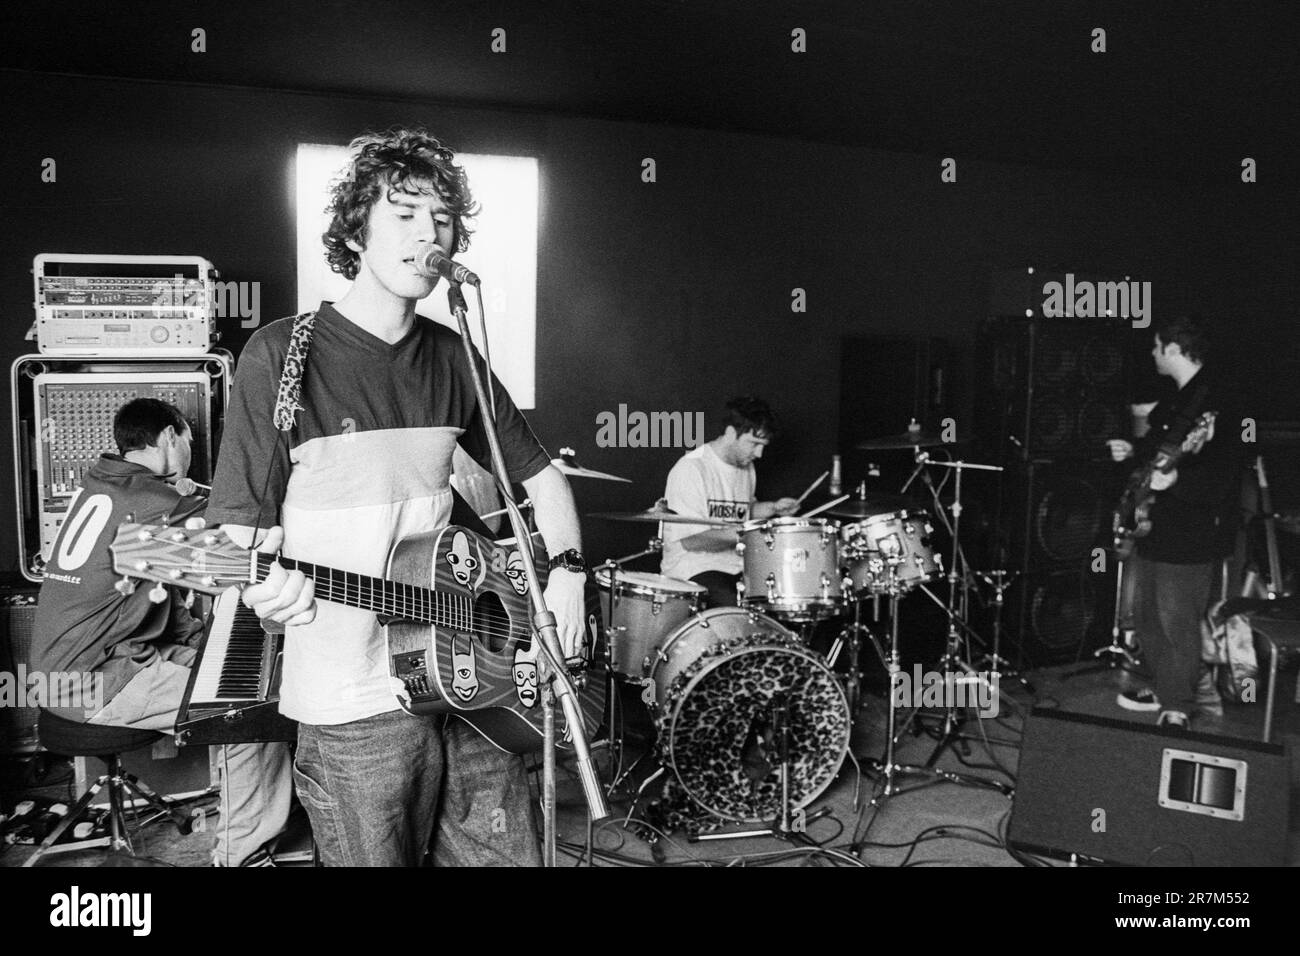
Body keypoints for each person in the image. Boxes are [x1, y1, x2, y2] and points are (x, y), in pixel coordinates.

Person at [206, 127, 588, 866]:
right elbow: (236, 543)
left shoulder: (454, 355)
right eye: (406, 216)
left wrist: (568, 569)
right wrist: (262, 593)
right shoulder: (281, 357)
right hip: (352, 703)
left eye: (442, 219)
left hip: (473, 681)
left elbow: (542, 477)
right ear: (357, 229)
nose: (429, 236)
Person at [32, 398, 292, 866]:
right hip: (95, 683)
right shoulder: (154, 504)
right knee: (251, 712)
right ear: (171, 436)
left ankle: (237, 817)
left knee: (230, 671)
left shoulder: (102, 487)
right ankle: (242, 855)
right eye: (189, 440)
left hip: (81, 668)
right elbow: (245, 530)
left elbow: (150, 578)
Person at [1106, 316, 1242, 730]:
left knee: (1176, 618)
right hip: (1155, 525)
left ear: (1173, 349)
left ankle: (1179, 705)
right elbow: (1154, 451)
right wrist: (1131, 450)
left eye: (1155, 346)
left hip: (1191, 530)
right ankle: (1165, 687)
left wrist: (1180, 479)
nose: (1152, 354)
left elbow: (1225, 472)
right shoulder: (1174, 402)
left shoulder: (1221, 403)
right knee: (1147, 616)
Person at [659, 396, 799, 608]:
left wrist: (773, 508)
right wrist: (749, 534)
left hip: (736, 566)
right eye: (754, 444)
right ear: (731, 432)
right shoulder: (692, 468)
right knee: (736, 609)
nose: (759, 454)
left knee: (787, 597)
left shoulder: (746, 467)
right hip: (692, 569)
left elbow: (742, 512)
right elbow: (692, 540)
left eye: (763, 446)